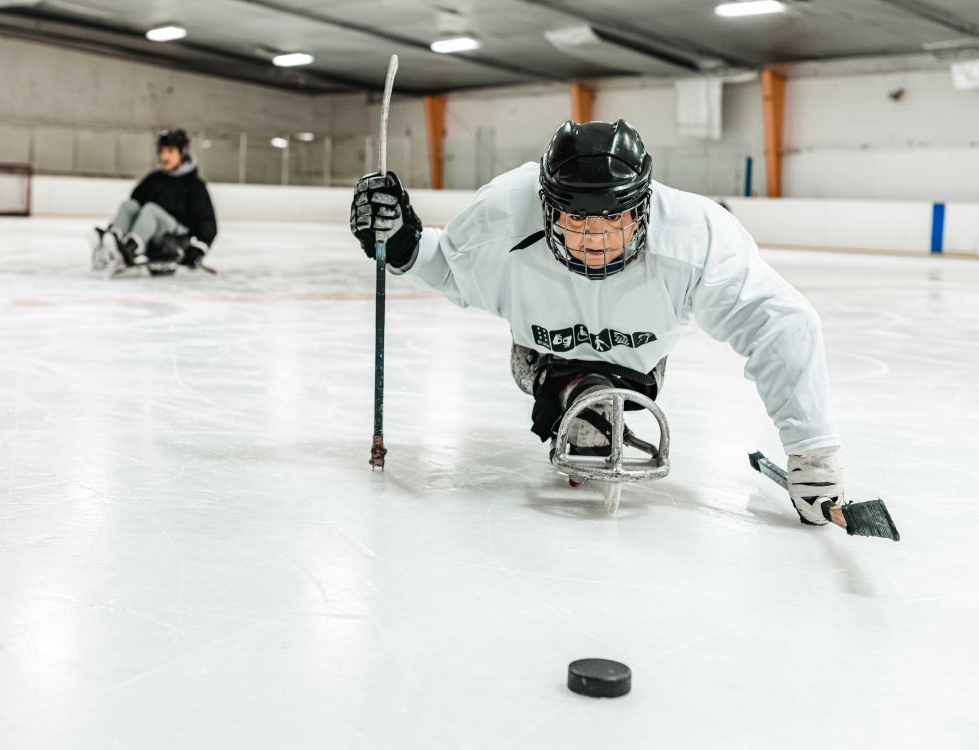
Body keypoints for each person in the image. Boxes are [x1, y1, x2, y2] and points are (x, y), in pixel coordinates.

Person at [350, 119, 844, 527]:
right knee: (567, 384)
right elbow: (447, 265)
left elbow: (779, 322)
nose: (594, 240)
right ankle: (571, 393)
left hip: (638, 367)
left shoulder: (696, 237)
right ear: (546, 207)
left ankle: (593, 399)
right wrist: (399, 240)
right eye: (576, 221)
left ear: (644, 208)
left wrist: (812, 453)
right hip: (542, 356)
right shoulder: (503, 215)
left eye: (613, 220)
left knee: (618, 385)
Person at [90, 128, 216, 274]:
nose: (164, 156)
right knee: (129, 206)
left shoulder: (194, 185)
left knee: (151, 210)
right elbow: (134, 209)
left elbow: (207, 221)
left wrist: (199, 249)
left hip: (177, 239)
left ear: (182, 153)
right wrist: (116, 225)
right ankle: (113, 240)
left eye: (170, 151)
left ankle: (131, 249)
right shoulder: (154, 179)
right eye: (161, 151)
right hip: (153, 235)